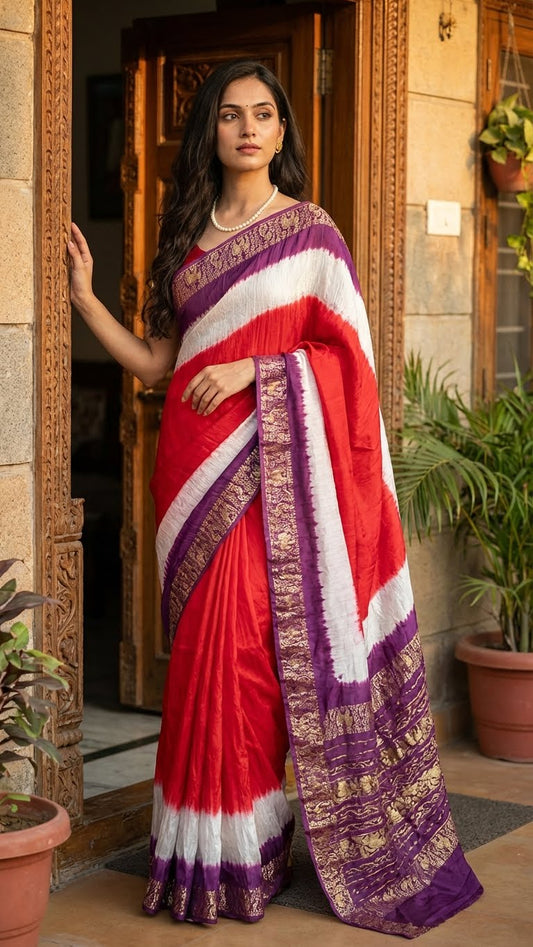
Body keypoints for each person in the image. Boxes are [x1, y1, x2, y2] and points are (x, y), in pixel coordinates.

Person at [68, 59, 482, 938]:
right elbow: (156, 363)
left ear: (281, 130)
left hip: (276, 490)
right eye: (229, 114)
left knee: (244, 663)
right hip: (190, 479)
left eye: (262, 114)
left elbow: (351, 373)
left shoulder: (311, 236)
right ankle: (199, 858)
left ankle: (244, 852)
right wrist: (84, 303)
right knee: (198, 675)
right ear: (209, 132)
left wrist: (256, 370)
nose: (247, 129)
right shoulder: (187, 238)